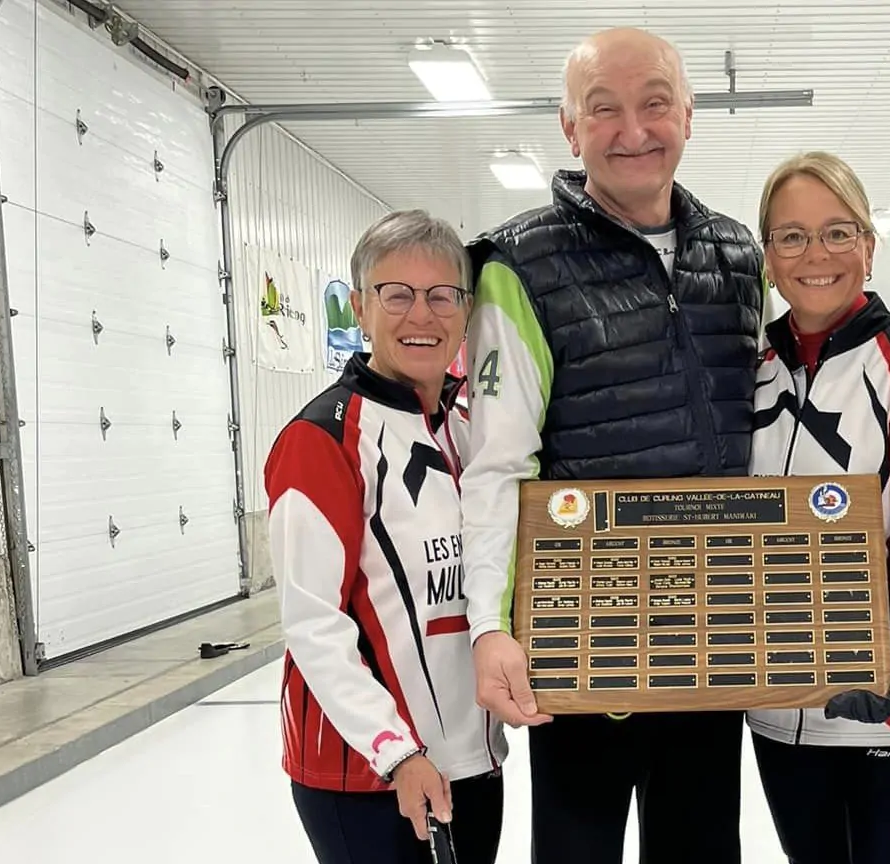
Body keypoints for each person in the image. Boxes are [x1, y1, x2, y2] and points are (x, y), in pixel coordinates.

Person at [456, 27, 765, 864]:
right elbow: (497, 462)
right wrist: (490, 625)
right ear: (570, 127)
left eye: (655, 103)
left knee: (703, 848)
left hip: (713, 628)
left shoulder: (739, 253)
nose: (634, 130)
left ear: (689, 115)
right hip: (581, 639)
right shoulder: (518, 265)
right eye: (605, 110)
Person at [264, 209, 507, 864]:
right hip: (369, 775)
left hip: (470, 760)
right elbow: (313, 623)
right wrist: (397, 753)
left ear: (465, 310)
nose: (420, 316)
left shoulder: (471, 426)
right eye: (396, 295)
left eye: (441, 296)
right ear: (361, 308)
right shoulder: (321, 440)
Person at [744, 151, 890, 864]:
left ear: (869, 247)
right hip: (777, 705)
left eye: (839, 232)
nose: (817, 255)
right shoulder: (745, 369)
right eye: (792, 236)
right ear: (768, 258)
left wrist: (889, 644)